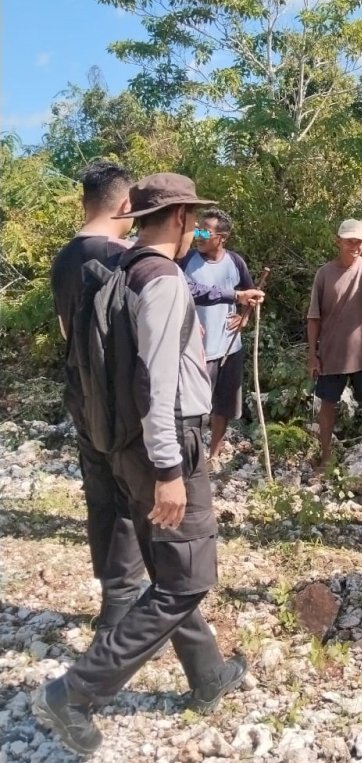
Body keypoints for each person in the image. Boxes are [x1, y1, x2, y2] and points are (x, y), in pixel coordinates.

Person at [34, 174, 246, 756]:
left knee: (169, 568)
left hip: (124, 445)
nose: (197, 228)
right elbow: (156, 382)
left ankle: (208, 676)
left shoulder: (117, 271)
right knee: (188, 580)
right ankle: (76, 694)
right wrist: (170, 470)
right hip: (167, 444)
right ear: (178, 218)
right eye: (193, 218)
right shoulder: (163, 278)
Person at [51, 160, 146, 633]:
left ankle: (112, 589)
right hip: (117, 394)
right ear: (126, 204)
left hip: (78, 387)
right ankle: (121, 607)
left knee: (99, 493)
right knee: (129, 493)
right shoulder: (121, 257)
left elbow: (67, 328)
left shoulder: (64, 257)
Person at [180, 209, 263, 464]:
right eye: (198, 230)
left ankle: (213, 454)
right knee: (193, 408)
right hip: (196, 350)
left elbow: (251, 293)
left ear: (222, 237)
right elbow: (185, 293)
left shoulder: (235, 263)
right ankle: (188, 455)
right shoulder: (186, 260)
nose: (198, 235)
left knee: (223, 405)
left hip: (229, 346)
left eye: (205, 231)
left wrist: (244, 317)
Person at [307, 219, 362, 466]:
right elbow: (313, 317)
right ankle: (327, 457)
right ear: (338, 241)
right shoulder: (324, 273)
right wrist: (313, 353)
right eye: (349, 241)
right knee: (328, 404)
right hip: (332, 351)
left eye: (359, 241)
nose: (355, 245)